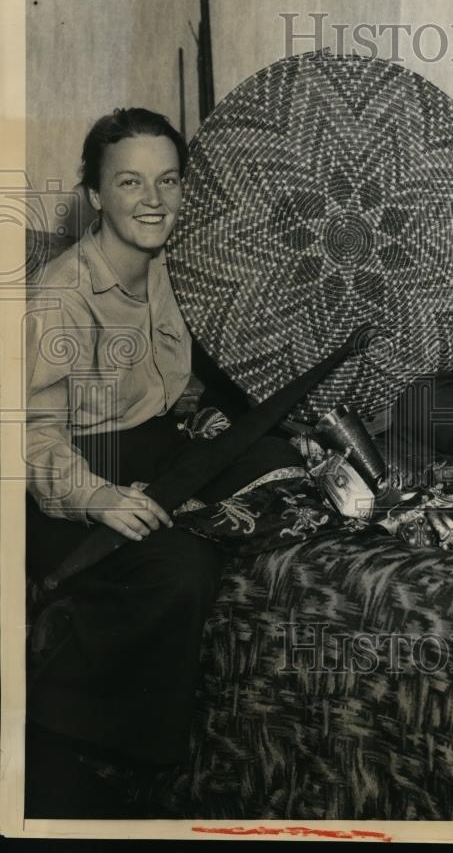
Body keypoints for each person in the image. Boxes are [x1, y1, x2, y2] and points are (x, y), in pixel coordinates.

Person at [25, 107, 299, 817]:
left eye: (169, 181)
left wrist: (206, 417)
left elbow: (180, 387)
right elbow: (30, 435)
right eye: (130, 182)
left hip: (153, 445)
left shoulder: (173, 270)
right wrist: (99, 500)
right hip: (71, 477)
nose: (154, 200)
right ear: (95, 195)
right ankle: (97, 738)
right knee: (180, 567)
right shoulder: (59, 296)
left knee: (281, 460)